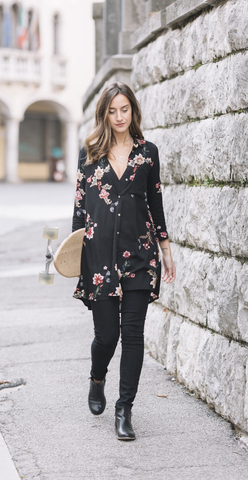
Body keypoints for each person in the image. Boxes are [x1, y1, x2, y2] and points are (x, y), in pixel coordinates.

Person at [72, 82, 175, 441]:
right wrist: (73, 257)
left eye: (124, 110)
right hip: (98, 256)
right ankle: (97, 377)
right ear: (104, 113)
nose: (118, 117)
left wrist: (165, 249)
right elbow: (80, 209)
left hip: (140, 255)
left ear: (133, 111)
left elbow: (155, 203)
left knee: (132, 335)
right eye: (112, 111)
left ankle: (124, 409)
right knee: (107, 336)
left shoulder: (148, 153)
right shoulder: (89, 154)